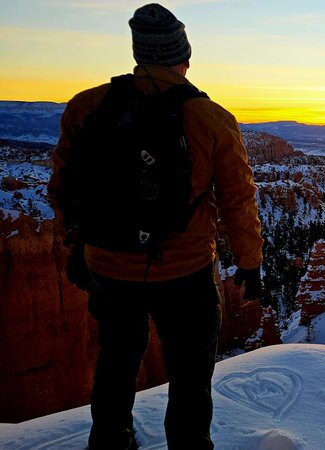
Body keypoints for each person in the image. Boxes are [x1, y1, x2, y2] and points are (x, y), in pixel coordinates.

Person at [48, 3, 264, 448]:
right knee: (190, 371)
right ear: (183, 56)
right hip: (184, 272)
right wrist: (250, 262)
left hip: (107, 265)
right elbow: (238, 200)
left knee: (116, 359)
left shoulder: (88, 106)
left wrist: (75, 244)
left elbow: (63, 187)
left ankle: (110, 440)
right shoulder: (211, 118)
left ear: (138, 53)